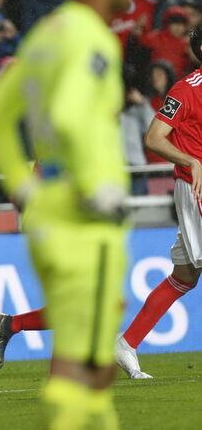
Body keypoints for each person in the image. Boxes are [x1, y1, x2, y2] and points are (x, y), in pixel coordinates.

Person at [0, 0, 137, 428]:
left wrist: (26, 190)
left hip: (49, 205)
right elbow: (69, 113)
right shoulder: (93, 39)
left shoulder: (43, 36)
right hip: (84, 207)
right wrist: (92, 183)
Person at [115, 24, 202, 379]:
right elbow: (154, 137)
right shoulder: (187, 89)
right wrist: (191, 160)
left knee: (185, 275)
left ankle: (126, 344)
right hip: (196, 186)